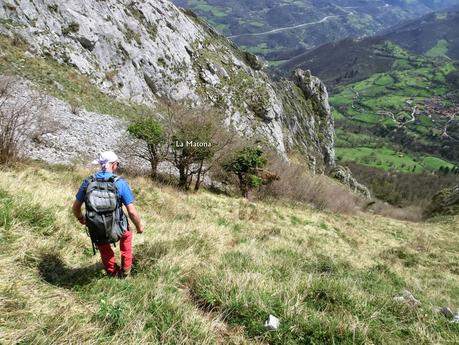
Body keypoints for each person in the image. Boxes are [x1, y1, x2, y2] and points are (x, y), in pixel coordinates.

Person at [72, 151, 144, 277]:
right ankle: (126, 271)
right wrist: (139, 227)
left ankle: (113, 273)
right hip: (118, 226)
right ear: (114, 165)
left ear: (101, 165)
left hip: (96, 226)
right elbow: (132, 211)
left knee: (103, 246)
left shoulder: (88, 182)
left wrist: (81, 218)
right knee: (126, 237)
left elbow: (75, 207)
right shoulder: (120, 182)